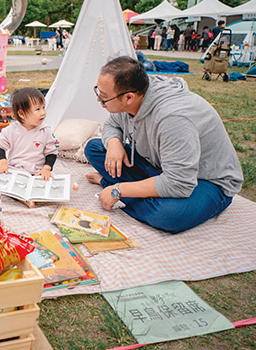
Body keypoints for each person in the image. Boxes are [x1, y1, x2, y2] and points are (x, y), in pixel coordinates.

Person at [84, 56, 243, 233]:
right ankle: (141, 192)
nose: (99, 101)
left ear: (129, 97)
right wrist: (114, 143)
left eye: (104, 98)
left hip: (206, 181)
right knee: (95, 148)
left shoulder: (173, 119)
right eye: (98, 92)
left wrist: (118, 189)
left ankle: (109, 185)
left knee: (169, 215)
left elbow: (179, 183)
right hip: (160, 167)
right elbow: (112, 124)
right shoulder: (133, 94)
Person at [0, 87, 59, 207]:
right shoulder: (11, 130)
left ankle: (28, 196)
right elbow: (0, 146)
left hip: (37, 172)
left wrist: (46, 168)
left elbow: (52, 152)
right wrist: (3, 162)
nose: (43, 112)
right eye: (37, 109)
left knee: (45, 186)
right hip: (15, 170)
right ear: (21, 114)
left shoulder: (46, 131)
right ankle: (23, 198)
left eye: (43, 107)